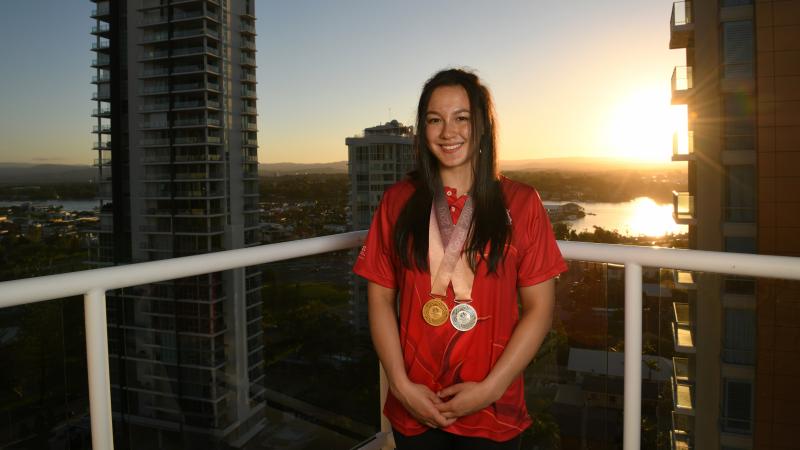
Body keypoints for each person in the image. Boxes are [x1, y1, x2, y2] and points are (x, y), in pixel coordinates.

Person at [353, 68, 567, 449]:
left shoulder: (522, 203)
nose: (447, 131)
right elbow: (380, 300)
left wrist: (491, 388)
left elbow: (539, 309)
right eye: (435, 120)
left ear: (482, 126)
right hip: (414, 406)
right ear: (423, 131)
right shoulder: (397, 202)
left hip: (493, 409)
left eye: (461, 118)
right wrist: (402, 387)